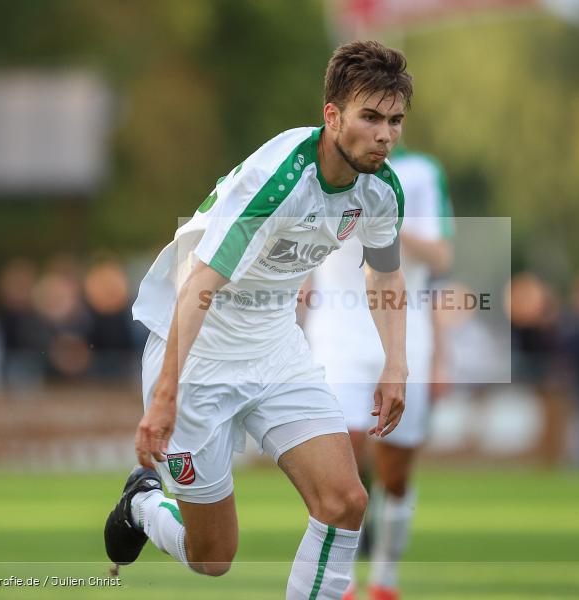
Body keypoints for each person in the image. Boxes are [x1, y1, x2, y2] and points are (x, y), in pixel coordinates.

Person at [103, 40, 412, 600]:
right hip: (197, 358)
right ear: (332, 115)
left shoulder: (382, 190)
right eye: (370, 117)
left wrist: (397, 361)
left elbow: (386, 275)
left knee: (346, 502)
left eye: (394, 120)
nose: (384, 135)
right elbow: (200, 284)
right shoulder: (279, 180)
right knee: (213, 557)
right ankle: (144, 505)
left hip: (276, 352)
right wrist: (165, 395)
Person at [304, 146, 454, 600]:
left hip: (403, 330)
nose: (382, 130)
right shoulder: (313, 163)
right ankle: (342, 582)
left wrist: (388, 215)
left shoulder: (422, 172)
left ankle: (385, 578)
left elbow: (441, 256)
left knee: (395, 471)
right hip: (337, 332)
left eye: (392, 118)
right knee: (340, 457)